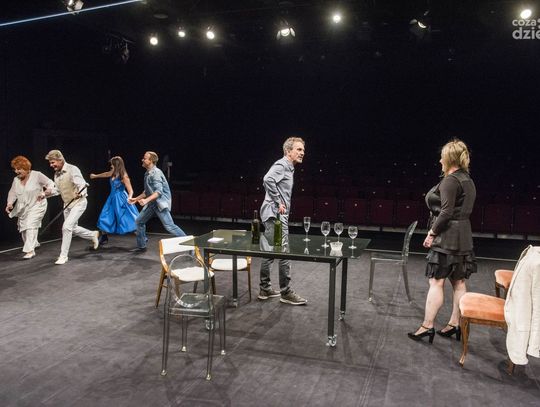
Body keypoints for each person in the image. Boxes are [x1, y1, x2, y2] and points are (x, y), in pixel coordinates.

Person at [408, 139, 477, 343]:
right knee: (458, 282)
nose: (439, 160)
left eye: (442, 157)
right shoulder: (467, 180)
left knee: (436, 281)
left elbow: (446, 212)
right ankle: (455, 324)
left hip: (447, 237)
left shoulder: (451, 181)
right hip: (463, 235)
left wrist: (431, 233)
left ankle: (427, 326)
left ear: (448, 159)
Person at [258, 137, 307, 305]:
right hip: (275, 214)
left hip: (273, 214)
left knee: (270, 252)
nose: (302, 152)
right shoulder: (282, 165)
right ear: (288, 151)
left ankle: (265, 289)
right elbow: (267, 179)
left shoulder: (288, 168)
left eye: (303, 150)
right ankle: (286, 292)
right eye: (299, 149)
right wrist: (279, 202)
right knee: (284, 252)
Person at [45, 150, 99, 265]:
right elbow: (58, 190)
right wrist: (46, 194)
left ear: (60, 160)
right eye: (50, 163)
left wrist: (80, 192)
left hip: (79, 203)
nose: (51, 165)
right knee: (72, 228)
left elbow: (82, 184)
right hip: (67, 205)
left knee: (66, 227)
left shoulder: (73, 169)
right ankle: (92, 234)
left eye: (53, 162)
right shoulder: (56, 174)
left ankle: (63, 256)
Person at [128, 151, 185, 252]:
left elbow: (158, 192)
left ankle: (190, 244)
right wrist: (136, 199)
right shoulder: (147, 173)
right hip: (152, 203)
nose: (142, 160)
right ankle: (142, 246)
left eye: (145, 158)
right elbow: (147, 191)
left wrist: (146, 200)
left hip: (159, 203)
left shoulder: (156, 173)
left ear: (150, 161)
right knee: (139, 222)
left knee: (170, 226)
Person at [5, 155, 56, 259]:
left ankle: (30, 251)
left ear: (26, 168)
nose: (16, 171)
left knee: (30, 225)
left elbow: (50, 182)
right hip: (23, 208)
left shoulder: (37, 175)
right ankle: (34, 243)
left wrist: (47, 191)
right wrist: (10, 203)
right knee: (23, 229)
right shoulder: (16, 180)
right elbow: (12, 192)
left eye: (18, 169)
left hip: (38, 204)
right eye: (15, 169)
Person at [90, 156, 139, 245]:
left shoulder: (124, 176)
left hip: (121, 199)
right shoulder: (113, 173)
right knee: (104, 216)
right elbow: (106, 174)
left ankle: (141, 237)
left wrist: (129, 198)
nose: (111, 166)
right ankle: (104, 237)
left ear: (117, 165)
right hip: (112, 198)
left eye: (112, 164)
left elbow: (131, 190)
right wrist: (95, 176)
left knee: (127, 219)